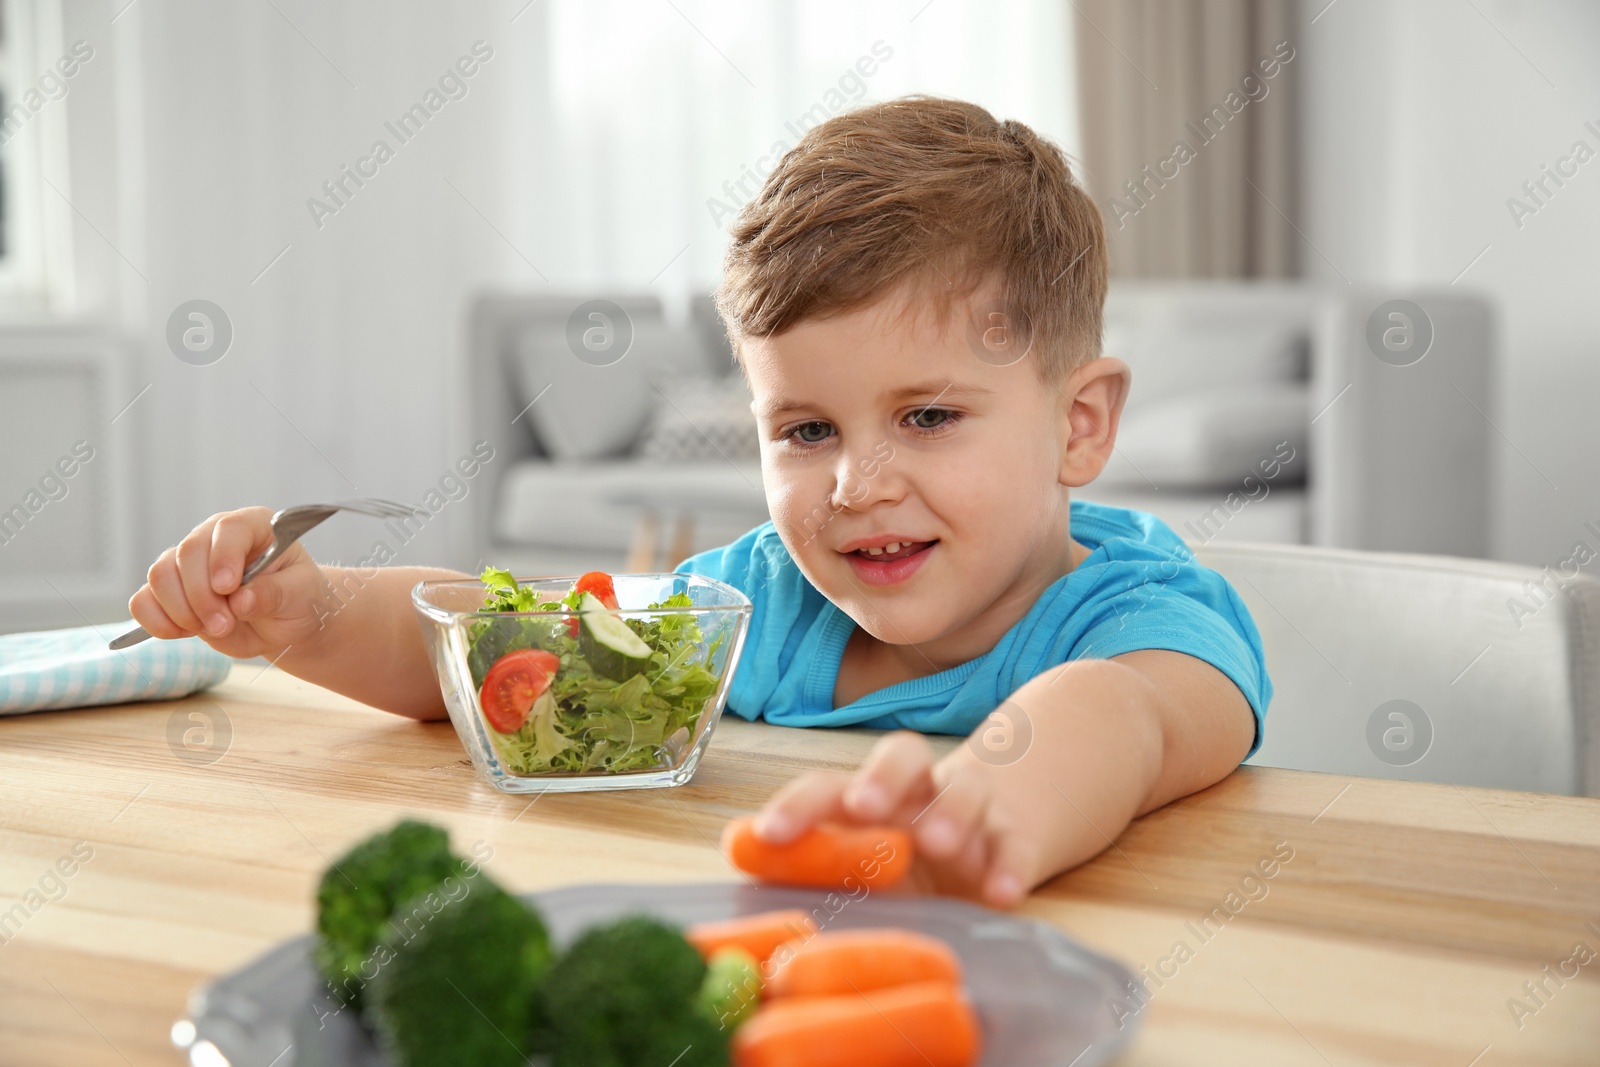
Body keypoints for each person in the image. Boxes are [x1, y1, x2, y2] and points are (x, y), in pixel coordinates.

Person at [128, 96, 1270, 908]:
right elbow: (510, 648)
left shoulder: (1135, 616)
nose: (855, 485)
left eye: (927, 416)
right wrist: (309, 610)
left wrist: (970, 818)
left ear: (1079, 425)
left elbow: (1118, 717)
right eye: (806, 428)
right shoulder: (761, 601)